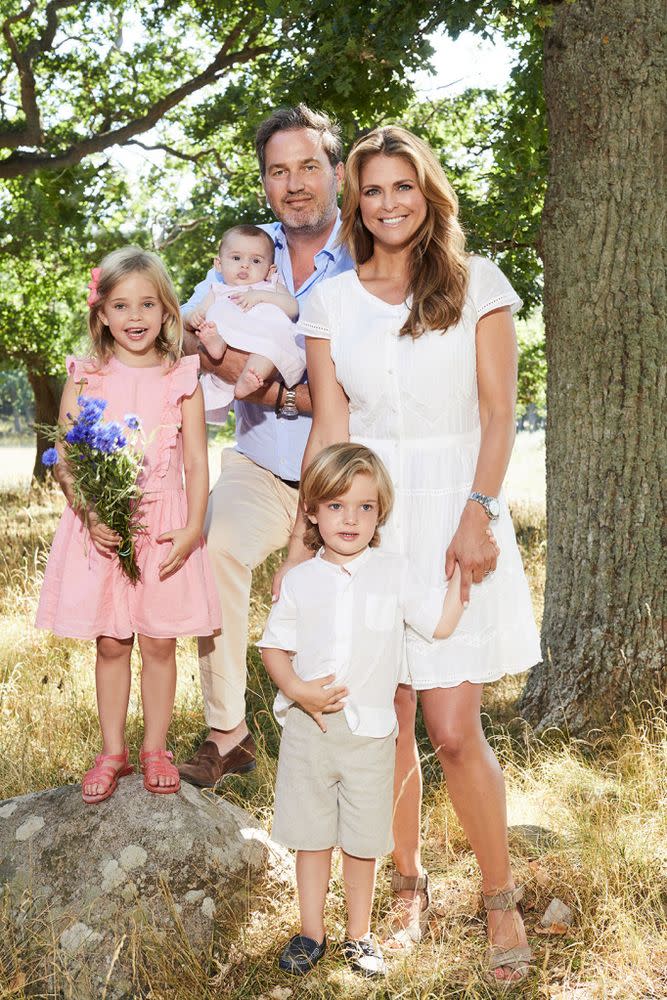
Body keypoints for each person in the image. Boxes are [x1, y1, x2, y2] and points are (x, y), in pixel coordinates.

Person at [275, 126, 541, 983]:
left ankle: (498, 898)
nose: (388, 204)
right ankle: (405, 883)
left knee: (452, 730)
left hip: (454, 515)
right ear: (354, 202)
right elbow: (331, 424)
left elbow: (499, 415)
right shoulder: (330, 302)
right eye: (373, 190)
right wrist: (301, 541)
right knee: (377, 721)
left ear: (428, 195)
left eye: (404, 188)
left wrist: (478, 514)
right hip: (363, 521)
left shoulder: (477, 287)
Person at [177, 104, 353, 788]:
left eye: (309, 166)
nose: (295, 183)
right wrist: (233, 364)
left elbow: (358, 391)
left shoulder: (366, 257)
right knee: (210, 548)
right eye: (279, 171)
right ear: (265, 184)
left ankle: (334, 748)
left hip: (343, 473)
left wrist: (279, 392)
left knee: (335, 602)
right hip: (259, 464)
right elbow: (191, 331)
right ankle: (229, 735)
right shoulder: (246, 253)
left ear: (336, 172)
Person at [259, 443, 469, 977]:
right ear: (311, 511)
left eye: (364, 507)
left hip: (374, 733)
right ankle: (310, 932)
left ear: (381, 513)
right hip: (310, 729)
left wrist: (463, 582)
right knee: (311, 837)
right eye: (335, 506)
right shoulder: (301, 580)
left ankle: (359, 935)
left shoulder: (392, 572)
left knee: (362, 839)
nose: (350, 519)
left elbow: (438, 623)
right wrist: (299, 690)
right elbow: (272, 646)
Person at [36, 247, 221, 803]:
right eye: (121, 305)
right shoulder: (87, 375)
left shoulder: (181, 376)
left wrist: (192, 528)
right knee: (113, 642)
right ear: (102, 314)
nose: (134, 316)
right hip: (102, 527)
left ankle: (155, 748)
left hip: (163, 526)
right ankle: (112, 749)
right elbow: (66, 456)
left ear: (167, 311)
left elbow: (195, 462)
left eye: (147, 304)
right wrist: (91, 514)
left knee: (160, 643)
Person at [190, 224, 303, 419]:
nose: (245, 265)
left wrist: (260, 296)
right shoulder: (217, 290)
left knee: (271, 347)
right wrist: (196, 315)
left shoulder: (271, 286)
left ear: (270, 270)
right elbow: (200, 311)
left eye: (256, 260)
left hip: (262, 340)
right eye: (236, 258)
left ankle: (249, 380)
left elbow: (292, 308)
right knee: (217, 312)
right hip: (228, 338)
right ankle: (216, 344)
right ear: (219, 264)